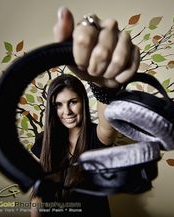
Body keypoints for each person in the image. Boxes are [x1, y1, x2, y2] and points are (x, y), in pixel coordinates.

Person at [30, 6, 140, 217]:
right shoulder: (43, 141)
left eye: (72, 102)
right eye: (59, 105)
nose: (66, 111)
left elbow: (108, 123)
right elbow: (38, 192)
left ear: (83, 101)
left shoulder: (95, 136)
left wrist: (102, 86)